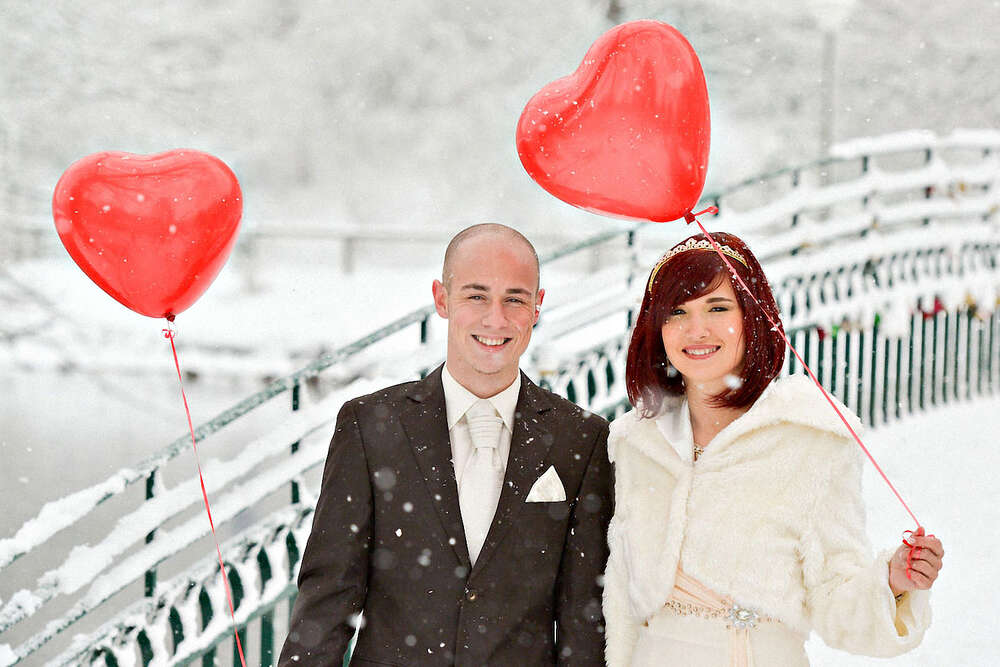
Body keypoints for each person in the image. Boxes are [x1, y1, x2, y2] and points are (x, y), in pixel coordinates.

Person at [602, 231, 944, 666]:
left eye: (718, 308)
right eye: (677, 312)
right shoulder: (635, 443)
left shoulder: (808, 438)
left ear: (751, 317)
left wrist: (893, 583)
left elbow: (835, 598)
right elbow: (617, 603)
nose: (696, 329)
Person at [279, 223, 612, 666]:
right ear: (441, 298)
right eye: (476, 296)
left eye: (514, 298)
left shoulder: (582, 438)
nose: (496, 319)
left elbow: (583, 619)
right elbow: (328, 597)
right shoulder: (370, 426)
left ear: (537, 306)